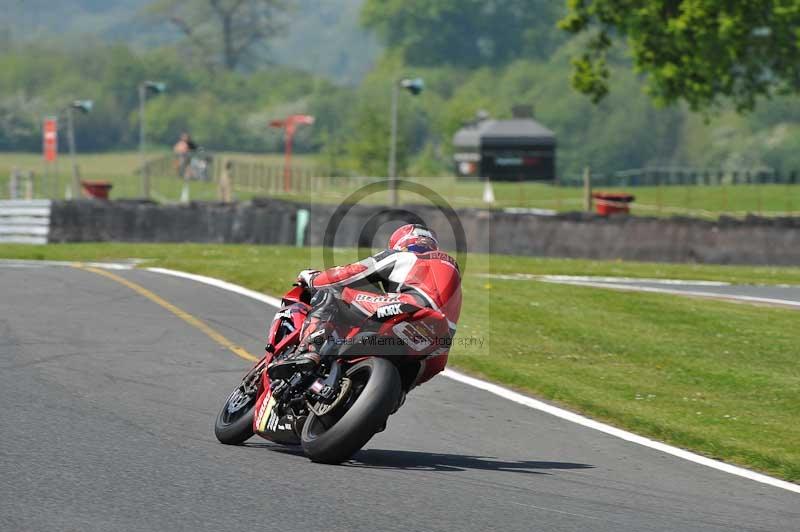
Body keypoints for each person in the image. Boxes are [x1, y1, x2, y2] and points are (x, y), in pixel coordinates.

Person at [268, 224, 462, 387]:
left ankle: (309, 351)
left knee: (331, 292)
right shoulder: (453, 275)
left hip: (407, 309)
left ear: (401, 243)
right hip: (437, 346)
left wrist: (312, 278)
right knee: (401, 387)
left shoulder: (404, 256)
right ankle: (387, 401)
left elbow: (349, 273)